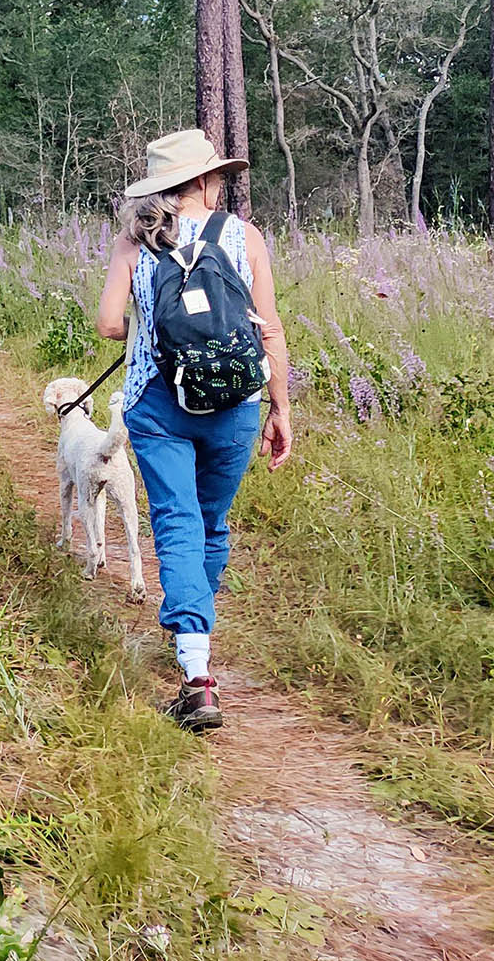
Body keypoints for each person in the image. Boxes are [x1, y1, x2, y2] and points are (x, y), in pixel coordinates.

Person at [96, 129, 294, 731]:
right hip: (236, 405)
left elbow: (108, 325)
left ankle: (196, 674)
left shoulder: (136, 240)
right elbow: (270, 330)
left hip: (158, 405)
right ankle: (194, 630)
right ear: (208, 180)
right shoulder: (244, 236)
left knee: (176, 522)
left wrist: (151, 319)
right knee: (210, 523)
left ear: (161, 186)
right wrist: (280, 409)